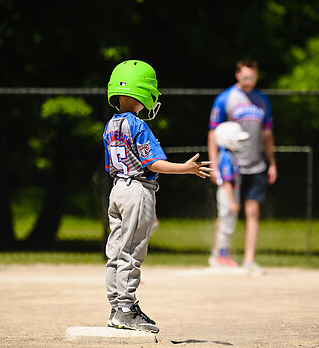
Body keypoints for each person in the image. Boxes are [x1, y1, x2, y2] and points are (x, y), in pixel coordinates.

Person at [103, 59, 211, 333]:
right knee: (132, 251)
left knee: (116, 251)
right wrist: (185, 168)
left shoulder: (111, 125)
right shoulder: (138, 126)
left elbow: (110, 165)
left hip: (117, 189)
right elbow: (152, 163)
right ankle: (127, 310)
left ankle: (117, 306)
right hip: (137, 190)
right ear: (145, 93)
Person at [207, 59, 277, 275]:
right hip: (232, 166)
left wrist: (272, 161)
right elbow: (213, 132)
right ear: (237, 75)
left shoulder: (262, 100)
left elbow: (267, 134)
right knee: (227, 210)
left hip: (255, 165)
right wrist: (214, 163)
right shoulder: (225, 98)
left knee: (253, 210)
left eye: (253, 78)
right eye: (245, 77)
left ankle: (249, 260)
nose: (249, 82)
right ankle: (218, 252)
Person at [212, 122, 250, 267]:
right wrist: (232, 202)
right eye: (238, 140)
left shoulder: (230, 155)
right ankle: (221, 255)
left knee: (229, 224)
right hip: (228, 192)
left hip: (232, 190)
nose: (241, 143)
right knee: (226, 223)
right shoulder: (226, 157)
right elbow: (227, 182)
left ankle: (224, 253)